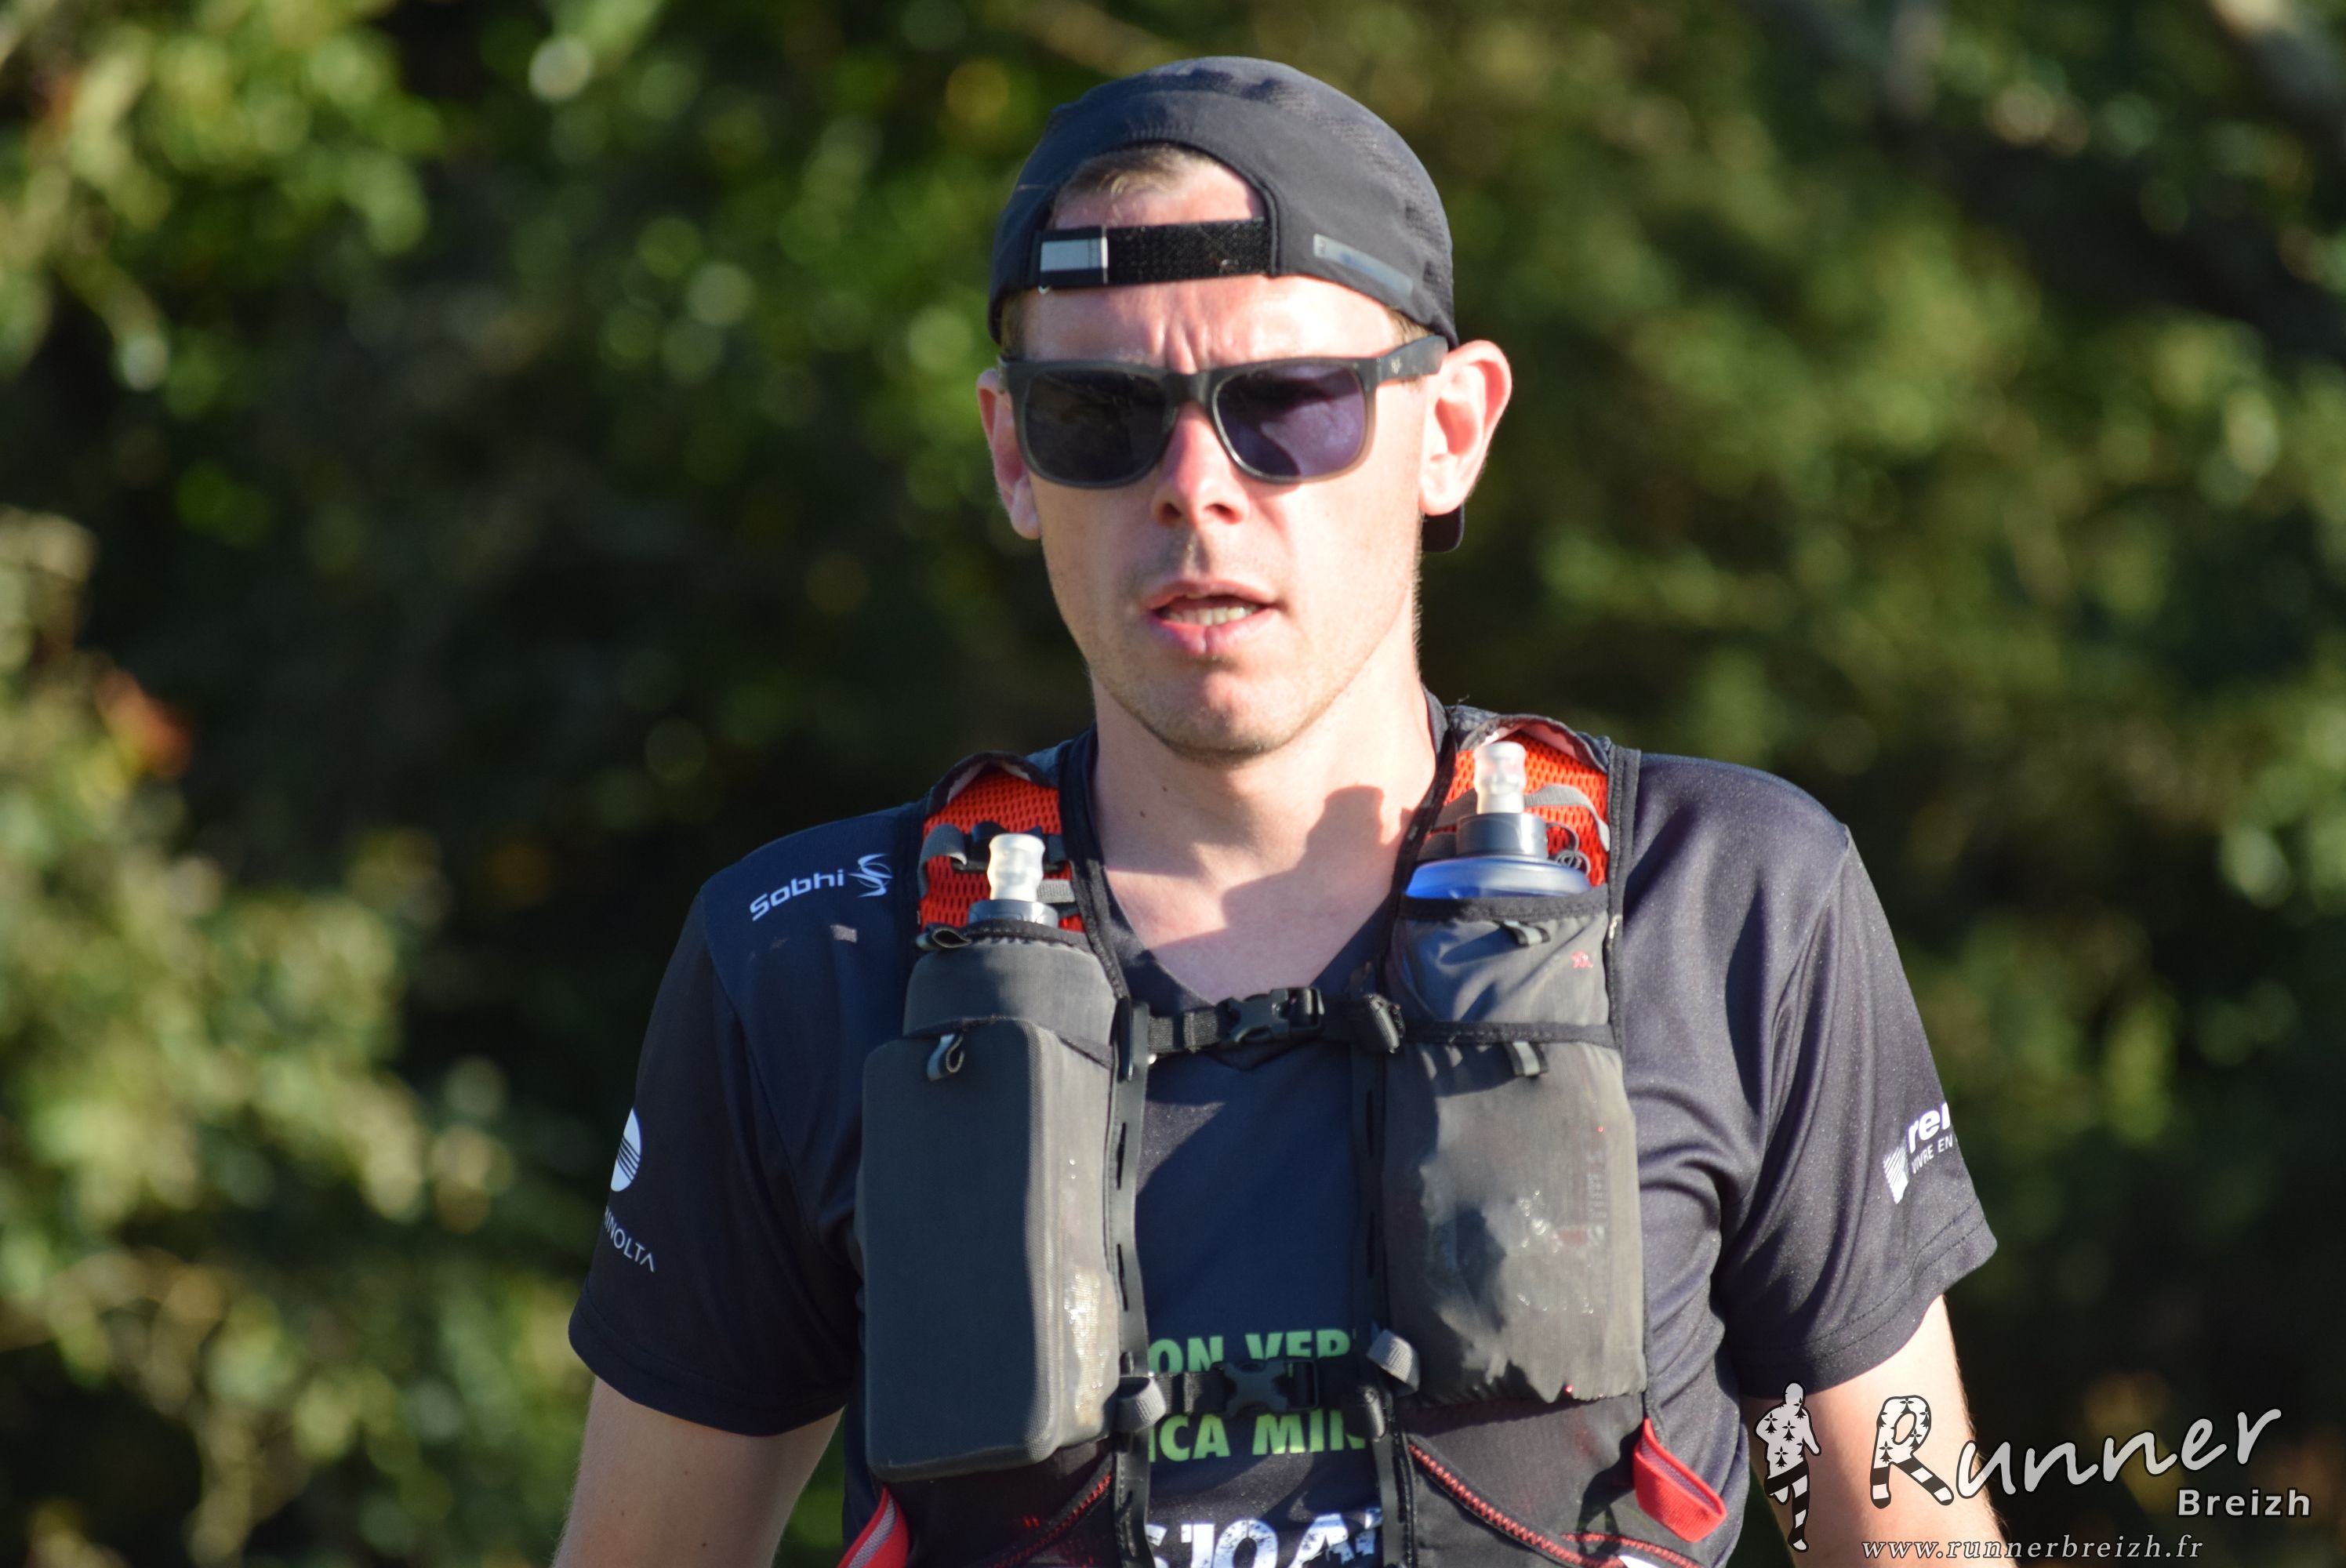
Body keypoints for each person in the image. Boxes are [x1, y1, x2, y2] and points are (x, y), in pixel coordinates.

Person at [553, 56, 2004, 1568]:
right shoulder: (808, 961)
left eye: (1288, 404)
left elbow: (1907, 1537)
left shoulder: (1729, 906)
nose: (1195, 486)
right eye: (1100, 413)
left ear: (1450, 427)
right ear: (1012, 454)